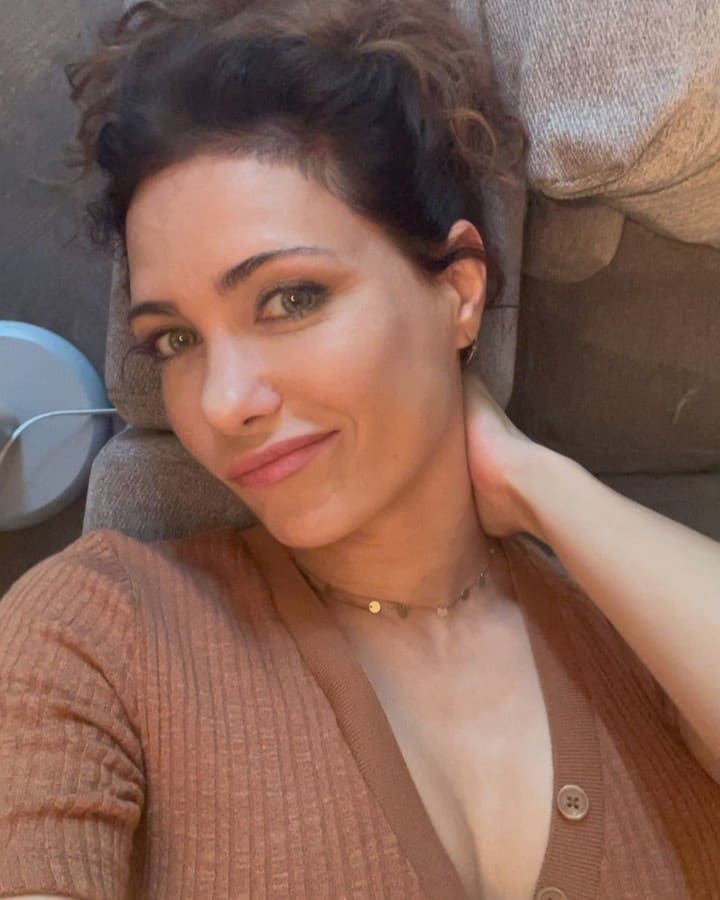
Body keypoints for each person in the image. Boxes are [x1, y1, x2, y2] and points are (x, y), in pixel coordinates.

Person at [1, 1, 719, 898]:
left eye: (290, 299)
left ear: (460, 293)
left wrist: (534, 479)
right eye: (175, 341)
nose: (222, 405)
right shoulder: (97, 631)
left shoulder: (643, 633)